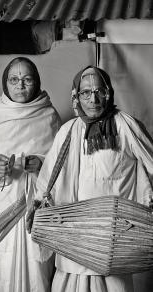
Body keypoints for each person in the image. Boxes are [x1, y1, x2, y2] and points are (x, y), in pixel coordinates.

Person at [30, 66, 153, 292]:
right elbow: (49, 178)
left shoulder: (125, 126)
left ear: (109, 93)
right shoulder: (68, 131)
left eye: (99, 91)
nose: (93, 98)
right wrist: (38, 206)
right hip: (73, 237)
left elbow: (150, 165)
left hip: (112, 240)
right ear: (76, 97)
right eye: (86, 92)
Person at [0, 57, 62, 292]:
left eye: (27, 79)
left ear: (36, 82)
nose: (20, 85)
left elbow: (64, 166)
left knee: (35, 268)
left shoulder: (49, 115)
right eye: (14, 79)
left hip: (35, 209)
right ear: (5, 83)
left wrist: (41, 165)